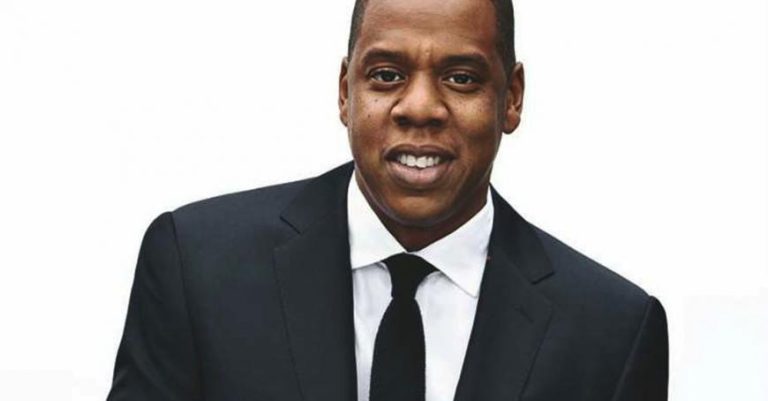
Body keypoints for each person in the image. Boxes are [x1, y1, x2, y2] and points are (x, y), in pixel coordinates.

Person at [106, 0, 669, 400]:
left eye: (461, 78)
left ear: (512, 98)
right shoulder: (196, 269)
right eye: (386, 74)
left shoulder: (612, 334)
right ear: (345, 91)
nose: (419, 107)